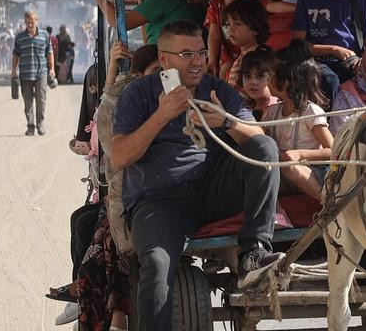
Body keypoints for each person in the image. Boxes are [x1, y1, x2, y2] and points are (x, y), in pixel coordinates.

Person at [112, 20, 281, 329]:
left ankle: (253, 253)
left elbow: (259, 140)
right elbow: (121, 155)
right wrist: (162, 115)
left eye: (201, 52)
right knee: (157, 264)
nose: (198, 61)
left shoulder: (217, 90)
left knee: (265, 148)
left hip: (212, 189)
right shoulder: (138, 94)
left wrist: (227, 123)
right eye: (186, 54)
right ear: (164, 60)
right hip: (160, 200)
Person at [202, 0, 295, 80]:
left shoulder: (251, 2)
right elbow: (214, 34)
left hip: (252, 62)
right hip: (227, 66)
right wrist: (211, 60)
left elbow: (274, 6)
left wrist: (303, 8)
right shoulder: (215, 6)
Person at [261, 42, 334, 201]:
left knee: (290, 168)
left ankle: (329, 203)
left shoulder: (310, 112)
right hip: (281, 178)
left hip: (310, 174)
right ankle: (278, 214)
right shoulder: (270, 113)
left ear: (286, 80)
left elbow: (333, 151)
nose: (266, 80)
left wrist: (300, 154)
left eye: (270, 74)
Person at [12, 10, 55, 136]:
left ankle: (40, 123)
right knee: (28, 101)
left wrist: (52, 68)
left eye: (32, 22)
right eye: (27, 23)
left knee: (41, 99)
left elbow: (49, 52)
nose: (29, 25)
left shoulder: (45, 36)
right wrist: (13, 70)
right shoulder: (20, 37)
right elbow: (16, 54)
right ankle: (30, 126)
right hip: (25, 74)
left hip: (41, 73)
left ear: (36, 21)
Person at [222, 0, 270, 87]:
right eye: (229, 24)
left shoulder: (258, 57)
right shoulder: (241, 57)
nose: (230, 29)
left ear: (255, 28)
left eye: (237, 24)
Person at [238, 48, 283, 119]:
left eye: (260, 76)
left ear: (272, 78)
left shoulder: (274, 108)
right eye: (247, 76)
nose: (253, 82)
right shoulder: (247, 105)